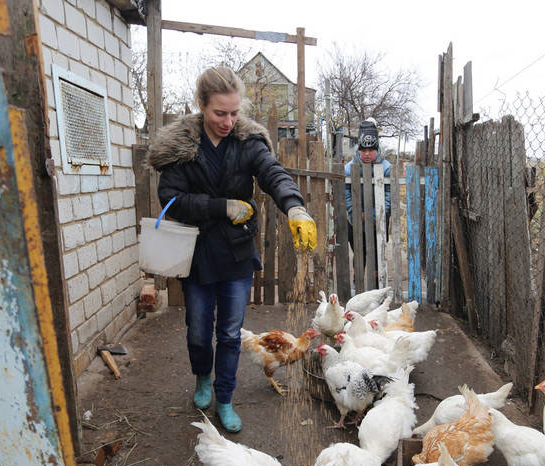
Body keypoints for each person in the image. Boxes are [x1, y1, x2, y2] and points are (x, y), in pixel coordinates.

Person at [147, 66, 316, 433]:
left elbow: (273, 173)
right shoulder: (181, 146)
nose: (228, 121)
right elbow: (170, 198)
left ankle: (224, 397)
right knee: (197, 330)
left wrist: (295, 206)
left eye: (234, 112)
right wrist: (221, 206)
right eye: (219, 113)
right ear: (201, 106)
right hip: (196, 253)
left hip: (237, 254)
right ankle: (202, 380)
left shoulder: (248, 142)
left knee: (228, 332)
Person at [345, 118, 391, 283]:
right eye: (363, 149)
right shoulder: (349, 168)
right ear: (358, 149)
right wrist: (355, 212)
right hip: (355, 220)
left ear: (377, 148)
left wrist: (376, 215)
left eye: (371, 149)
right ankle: (357, 286)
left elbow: (388, 194)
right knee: (359, 251)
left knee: (378, 253)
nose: (366, 153)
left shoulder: (386, 168)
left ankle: (377, 288)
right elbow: (346, 193)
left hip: (379, 221)